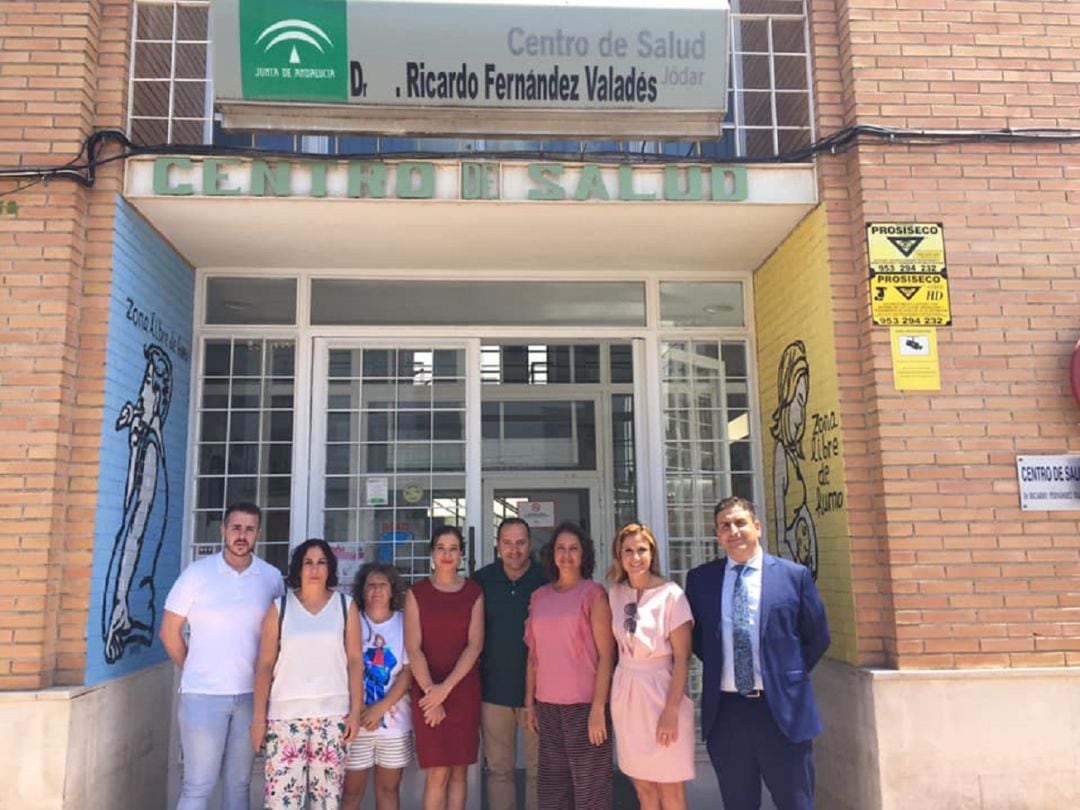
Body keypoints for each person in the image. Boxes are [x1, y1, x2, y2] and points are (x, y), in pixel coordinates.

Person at [685, 497, 831, 810]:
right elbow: (698, 641)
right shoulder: (701, 580)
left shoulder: (794, 576)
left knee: (796, 802)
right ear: (717, 535)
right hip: (727, 714)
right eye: (725, 526)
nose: (733, 530)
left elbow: (817, 635)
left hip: (781, 712)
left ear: (757, 527)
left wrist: (786, 673)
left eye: (740, 523)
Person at [159, 502, 284, 810]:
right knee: (198, 785)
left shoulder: (270, 578)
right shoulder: (197, 574)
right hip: (202, 696)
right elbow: (169, 632)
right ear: (223, 531)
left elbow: (278, 638)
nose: (242, 535)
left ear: (258, 534)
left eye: (249, 529)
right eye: (236, 528)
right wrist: (194, 669)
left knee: (239, 784)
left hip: (250, 698)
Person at [251, 539, 364, 810]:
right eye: (308, 562)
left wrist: (356, 711)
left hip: (332, 716)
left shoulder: (344, 606)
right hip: (284, 718)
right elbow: (265, 665)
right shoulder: (280, 608)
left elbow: (355, 661)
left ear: (330, 568)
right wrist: (258, 719)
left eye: (321, 562)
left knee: (326, 802)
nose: (314, 569)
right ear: (298, 568)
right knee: (282, 801)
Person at [524, 522, 615, 810]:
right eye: (561, 549)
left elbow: (606, 657)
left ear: (584, 555)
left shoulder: (594, 594)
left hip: (584, 707)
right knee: (552, 792)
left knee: (591, 792)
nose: (566, 555)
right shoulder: (539, 597)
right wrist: (530, 704)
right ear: (552, 555)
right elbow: (533, 657)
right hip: (547, 707)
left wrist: (598, 710)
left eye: (573, 549)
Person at [607, 523, 695, 810]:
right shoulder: (614, 594)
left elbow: (682, 657)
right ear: (619, 556)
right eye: (628, 551)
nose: (635, 557)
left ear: (652, 553)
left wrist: (670, 711)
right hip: (627, 696)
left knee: (670, 788)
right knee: (643, 787)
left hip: (662, 693)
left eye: (641, 550)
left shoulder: (672, 595)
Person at [404, 526, 485, 810]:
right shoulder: (416, 593)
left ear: (461, 554)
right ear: (432, 553)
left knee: (459, 771)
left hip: (462, 691)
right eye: (441, 548)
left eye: (453, 548)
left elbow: (474, 646)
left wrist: (445, 690)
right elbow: (413, 648)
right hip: (427, 692)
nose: (447, 554)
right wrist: (431, 693)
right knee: (437, 772)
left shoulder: (474, 592)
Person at [472, 517, 547, 810]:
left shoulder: (545, 581)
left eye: (520, 543)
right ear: (498, 546)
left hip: (540, 694)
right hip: (493, 692)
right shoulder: (481, 581)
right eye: (507, 543)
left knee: (539, 771)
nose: (514, 550)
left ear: (529, 545)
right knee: (499, 771)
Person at [342, 562, 413, 810]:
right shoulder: (351, 621)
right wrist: (360, 709)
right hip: (355, 722)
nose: (377, 591)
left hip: (394, 722)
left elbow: (407, 672)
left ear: (393, 590)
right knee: (351, 791)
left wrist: (381, 707)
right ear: (362, 590)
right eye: (371, 585)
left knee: (388, 790)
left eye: (383, 585)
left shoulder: (405, 622)